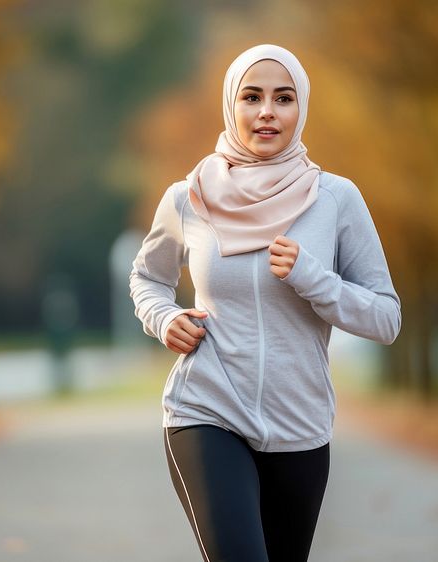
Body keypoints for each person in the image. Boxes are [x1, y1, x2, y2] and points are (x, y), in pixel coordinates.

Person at [128, 44, 401, 561]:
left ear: (302, 110)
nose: (267, 112)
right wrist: (164, 318)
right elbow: (148, 276)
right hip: (206, 409)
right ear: (232, 105)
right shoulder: (188, 198)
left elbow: (386, 317)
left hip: (299, 425)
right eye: (252, 97)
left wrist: (314, 278)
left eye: (284, 98)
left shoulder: (335, 198)